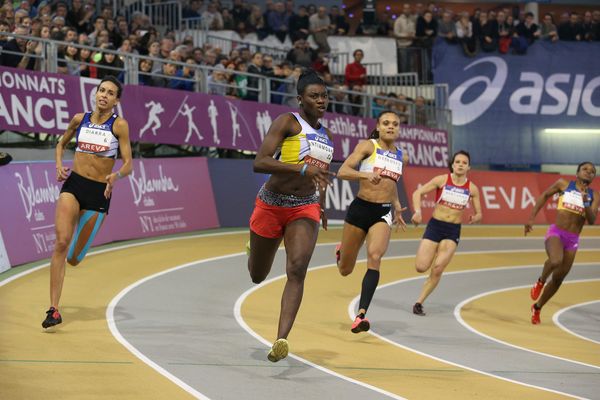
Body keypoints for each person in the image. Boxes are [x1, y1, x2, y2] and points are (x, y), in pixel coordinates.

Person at [247, 70, 334, 362]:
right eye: (314, 96)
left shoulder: (326, 136)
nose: (321, 100)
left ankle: (280, 339)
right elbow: (260, 162)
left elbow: (319, 177)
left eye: (324, 96)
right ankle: (253, 248)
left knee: (297, 269)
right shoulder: (287, 122)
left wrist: (320, 204)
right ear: (300, 99)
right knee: (257, 275)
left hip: (305, 206)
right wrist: (301, 169)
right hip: (271, 203)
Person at [42, 76, 133, 330]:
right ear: (96, 94)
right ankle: (54, 309)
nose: (104, 95)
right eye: (101, 90)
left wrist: (116, 175)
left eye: (110, 93)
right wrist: (59, 165)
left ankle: (74, 257)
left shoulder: (120, 126)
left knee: (74, 258)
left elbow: (129, 163)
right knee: (60, 242)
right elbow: (61, 144)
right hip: (74, 185)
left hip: (98, 194)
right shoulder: (78, 119)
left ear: (116, 100)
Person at [335, 111, 408, 333]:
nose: (390, 127)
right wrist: (365, 176)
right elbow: (342, 171)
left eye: (395, 124)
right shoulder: (368, 146)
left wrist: (396, 205)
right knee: (345, 270)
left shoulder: (400, 156)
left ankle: (361, 315)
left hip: (382, 213)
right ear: (378, 126)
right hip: (360, 209)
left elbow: (391, 183)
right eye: (386, 123)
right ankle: (342, 252)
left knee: (375, 256)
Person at [410, 150, 482, 316]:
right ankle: (429, 263)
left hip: (452, 231)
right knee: (421, 267)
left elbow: (480, 214)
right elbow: (417, 193)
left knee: (438, 269)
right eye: (458, 162)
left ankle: (419, 302)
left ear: (468, 167)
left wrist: (475, 217)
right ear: (453, 164)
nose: (460, 165)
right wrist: (418, 212)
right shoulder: (442, 180)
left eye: (464, 163)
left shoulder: (472, 188)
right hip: (435, 227)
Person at [525, 162, 598, 324]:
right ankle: (540, 281)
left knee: (558, 279)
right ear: (577, 172)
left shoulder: (594, 195)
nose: (589, 172)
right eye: (585, 169)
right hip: (556, 232)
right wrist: (531, 218)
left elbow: (592, 220)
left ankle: (537, 308)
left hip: (572, 240)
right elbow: (544, 195)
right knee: (555, 260)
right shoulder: (563, 184)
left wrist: (586, 202)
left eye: (592, 172)